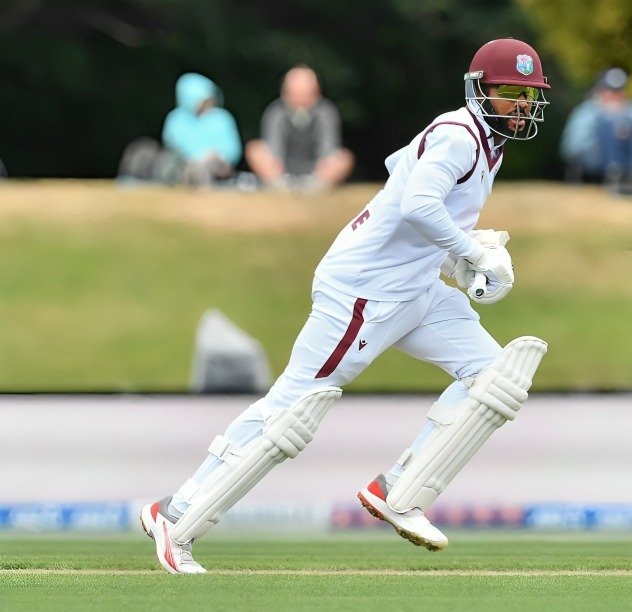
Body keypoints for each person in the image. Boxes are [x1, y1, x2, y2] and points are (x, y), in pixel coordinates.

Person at [140, 38, 551, 574]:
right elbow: (417, 204)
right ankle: (176, 513)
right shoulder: (460, 135)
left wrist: (458, 261)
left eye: (528, 95)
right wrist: (472, 252)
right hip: (363, 291)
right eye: (510, 93)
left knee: (495, 377)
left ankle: (399, 491)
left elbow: (400, 169)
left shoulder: (484, 142)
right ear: (479, 92)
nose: (521, 105)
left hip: (416, 288)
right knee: (292, 412)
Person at [559, 67, 632, 195]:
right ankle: (615, 173)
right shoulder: (586, 112)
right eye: (609, 90)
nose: (614, 95)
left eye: (619, 90)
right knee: (605, 123)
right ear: (599, 91)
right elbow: (572, 148)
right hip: (595, 163)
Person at [118, 72, 242, 186]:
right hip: (179, 164)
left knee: (208, 166)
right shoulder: (176, 119)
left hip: (215, 165)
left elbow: (232, 148)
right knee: (144, 151)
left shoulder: (221, 118)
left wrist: (210, 157)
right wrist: (194, 158)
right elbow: (174, 144)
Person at [245, 66, 354, 192]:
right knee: (255, 149)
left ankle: (315, 188)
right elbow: (273, 150)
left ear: (316, 93)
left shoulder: (326, 112)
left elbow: (328, 149)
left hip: (316, 171)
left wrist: (325, 166)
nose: (300, 99)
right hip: (282, 170)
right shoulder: (275, 112)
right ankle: (280, 188)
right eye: (295, 94)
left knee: (344, 158)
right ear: (285, 93)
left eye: (305, 94)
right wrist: (275, 168)